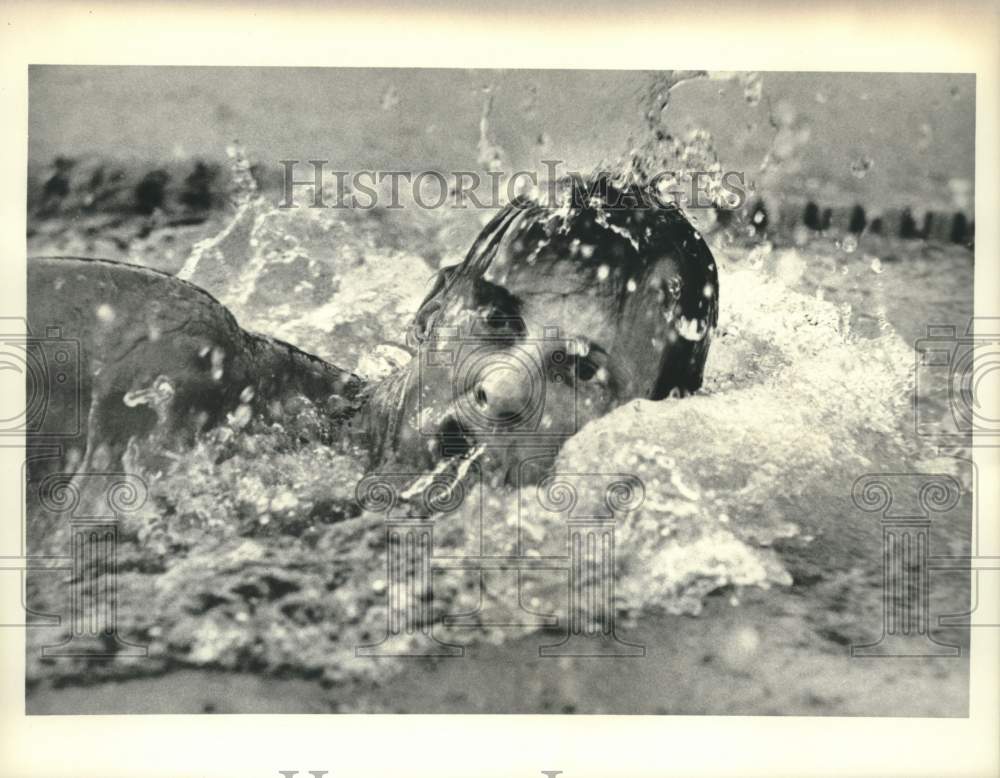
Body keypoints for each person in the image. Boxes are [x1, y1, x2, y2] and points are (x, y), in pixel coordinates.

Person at [27, 173, 719, 484]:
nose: (506, 387)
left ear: (639, 429)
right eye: (498, 319)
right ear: (432, 309)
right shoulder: (188, 373)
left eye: (581, 370)